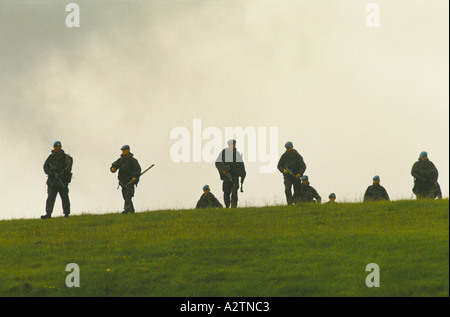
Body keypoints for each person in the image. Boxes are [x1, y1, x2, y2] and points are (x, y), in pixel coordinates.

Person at [41, 141, 73, 219]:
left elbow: (68, 168)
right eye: (55, 147)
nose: (57, 148)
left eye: (58, 147)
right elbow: (45, 166)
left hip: (62, 181)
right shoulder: (51, 157)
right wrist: (50, 172)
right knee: (50, 198)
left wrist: (61, 174)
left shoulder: (66, 157)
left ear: (60, 147)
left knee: (65, 197)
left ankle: (66, 213)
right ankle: (48, 213)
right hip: (52, 182)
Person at [215, 139, 246, 208]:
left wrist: (242, 175)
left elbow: (241, 166)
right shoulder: (224, 153)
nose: (233, 146)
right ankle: (227, 206)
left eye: (234, 144)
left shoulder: (237, 154)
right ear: (228, 145)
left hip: (235, 177)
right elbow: (217, 163)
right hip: (226, 176)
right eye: (232, 144)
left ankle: (233, 206)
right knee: (226, 192)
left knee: (234, 192)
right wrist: (222, 171)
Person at [110, 145, 141, 214]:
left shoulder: (133, 160)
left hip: (130, 181)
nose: (123, 152)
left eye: (124, 150)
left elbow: (137, 169)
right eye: (122, 150)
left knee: (128, 196)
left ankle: (127, 210)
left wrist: (135, 177)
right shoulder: (121, 160)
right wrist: (113, 168)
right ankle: (131, 211)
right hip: (123, 182)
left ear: (128, 150)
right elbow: (114, 165)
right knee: (125, 196)